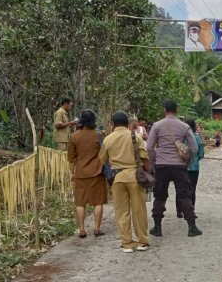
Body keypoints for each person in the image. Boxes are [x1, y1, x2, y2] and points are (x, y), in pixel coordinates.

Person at [146, 100, 202, 238]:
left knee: (159, 196)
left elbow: (149, 147)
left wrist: (154, 162)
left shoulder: (157, 125)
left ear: (165, 110)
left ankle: (157, 227)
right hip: (179, 166)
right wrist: (187, 162)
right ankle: (192, 227)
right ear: (176, 110)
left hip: (162, 166)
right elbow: (194, 148)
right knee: (184, 195)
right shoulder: (184, 126)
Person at [99, 111, 150, 253]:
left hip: (117, 178)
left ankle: (126, 243)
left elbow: (102, 160)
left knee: (122, 211)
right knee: (139, 209)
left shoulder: (108, 139)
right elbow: (144, 157)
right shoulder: (136, 136)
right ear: (128, 123)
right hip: (135, 177)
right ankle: (142, 241)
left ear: (112, 124)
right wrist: (149, 172)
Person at [67, 110, 107, 238]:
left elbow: (72, 159)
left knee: (80, 202)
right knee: (98, 201)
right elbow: (105, 153)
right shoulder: (99, 135)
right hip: (97, 172)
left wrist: (72, 173)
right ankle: (97, 228)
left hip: (81, 173)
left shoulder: (74, 136)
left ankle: (82, 230)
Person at [176, 118, 205, 219]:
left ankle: (179, 211)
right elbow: (201, 154)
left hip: (181, 167)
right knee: (192, 190)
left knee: (180, 189)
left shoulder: (180, 138)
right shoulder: (197, 139)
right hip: (193, 168)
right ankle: (190, 211)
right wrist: (194, 159)